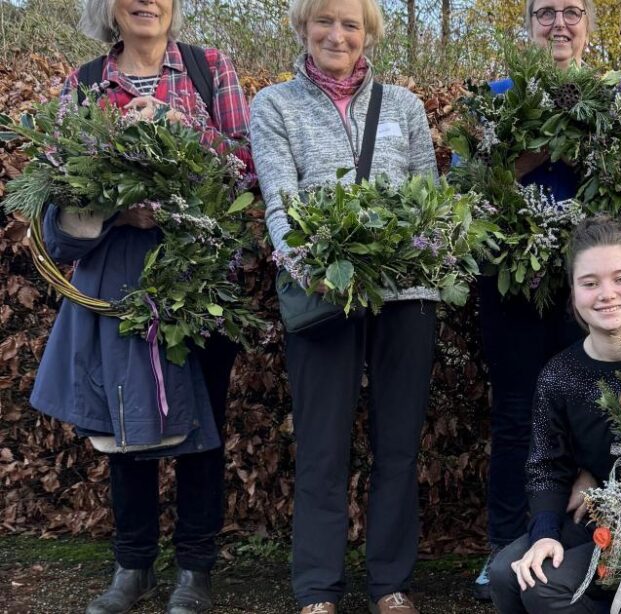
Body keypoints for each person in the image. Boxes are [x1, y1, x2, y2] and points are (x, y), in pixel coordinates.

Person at [28, 0, 251, 612]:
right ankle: (133, 567)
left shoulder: (210, 69)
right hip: (118, 286)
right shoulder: (83, 83)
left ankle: (195, 570)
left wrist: (181, 127)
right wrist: (117, 209)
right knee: (124, 424)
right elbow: (56, 185)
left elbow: (246, 164)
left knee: (202, 427)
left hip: (200, 282)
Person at [248, 0, 439, 610]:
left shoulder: (405, 106)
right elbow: (280, 205)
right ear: (304, 27)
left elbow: (428, 204)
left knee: (398, 446)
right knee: (323, 446)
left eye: (351, 23)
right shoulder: (274, 105)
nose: (337, 34)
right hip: (322, 297)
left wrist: (410, 264)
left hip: (406, 298)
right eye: (324, 20)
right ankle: (317, 588)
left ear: (368, 34)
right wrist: (316, 272)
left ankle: (391, 584)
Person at [471, 0, 600, 601]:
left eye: (572, 10)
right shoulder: (499, 95)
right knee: (517, 413)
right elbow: (469, 186)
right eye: (544, 11)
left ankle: (580, 543)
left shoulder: (610, 94)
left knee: (589, 412)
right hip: (512, 284)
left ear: (587, 24)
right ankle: (504, 544)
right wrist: (544, 150)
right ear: (527, 25)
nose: (559, 23)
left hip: (590, 288)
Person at [488, 216, 621, 612]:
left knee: (546, 589)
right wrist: (545, 533)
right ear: (574, 294)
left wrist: (601, 479)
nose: (606, 294)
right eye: (590, 283)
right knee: (506, 573)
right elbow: (547, 465)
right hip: (593, 518)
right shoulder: (561, 375)